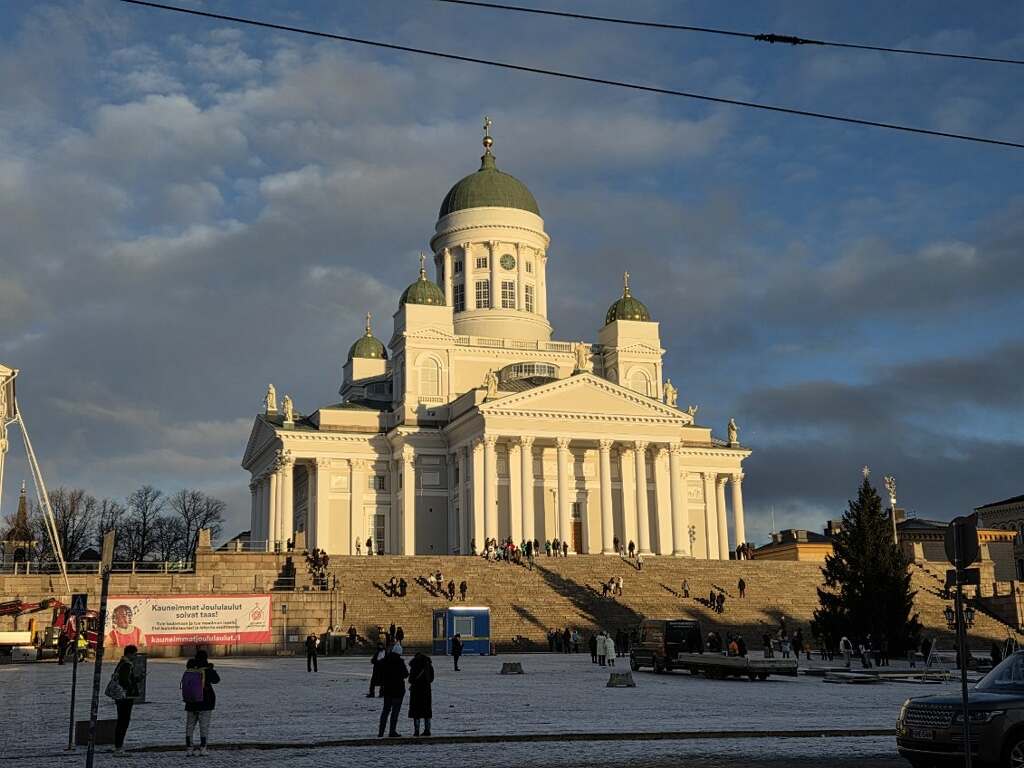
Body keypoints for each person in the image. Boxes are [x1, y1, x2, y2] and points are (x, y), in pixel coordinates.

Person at [182, 649, 220, 756]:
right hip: (205, 702)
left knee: (189, 726)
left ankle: (189, 748)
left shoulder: (190, 669)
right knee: (204, 726)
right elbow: (216, 680)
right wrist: (211, 668)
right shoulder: (207, 670)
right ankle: (203, 748)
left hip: (191, 702)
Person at [112, 645, 141, 755]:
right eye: (134, 654)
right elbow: (125, 681)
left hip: (121, 696)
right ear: (129, 654)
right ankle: (118, 747)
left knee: (121, 721)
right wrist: (133, 685)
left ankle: (118, 746)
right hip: (125, 697)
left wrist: (136, 679)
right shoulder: (127, 665)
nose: (135, 656)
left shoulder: (122, 663)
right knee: (123, 722)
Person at [378, 643, 409, 738]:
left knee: (385, 711)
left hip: (387, 689)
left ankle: (381, 732)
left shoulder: (385, 661)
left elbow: (380, 672)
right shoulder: (400, 662)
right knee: (395, 712)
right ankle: (392, 731)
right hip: (398, 690)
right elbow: (406, 674)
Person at [408, 652, 434, 737]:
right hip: (426, 690)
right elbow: (431, 678)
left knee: (416, 712)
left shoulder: (414, 666)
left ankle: (416, 731)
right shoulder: (428, 666)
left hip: (416, 691)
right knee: (427, 711)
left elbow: (410, 679)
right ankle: (427, 730)